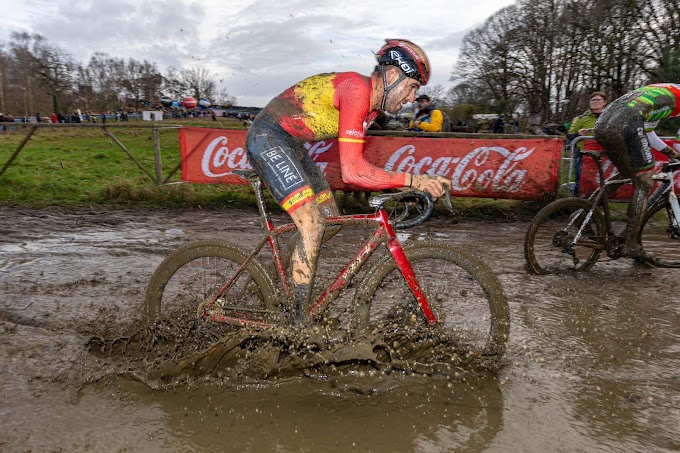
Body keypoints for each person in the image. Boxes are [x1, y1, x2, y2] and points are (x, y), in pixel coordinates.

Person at [246, 38, 449, 325]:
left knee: (330, 220)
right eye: (413, 86)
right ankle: (297, 324)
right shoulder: (357, 91)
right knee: (313, 224)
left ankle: (275, 274)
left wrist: (408, 184)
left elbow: (358, 168)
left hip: (290, 144)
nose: (412, 98)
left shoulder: (373, 109)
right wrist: (413, 181)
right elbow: (353, 172)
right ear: (392, 75)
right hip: (268, 137)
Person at [593, 83, 680, 260]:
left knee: (628, 173)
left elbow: (648, 132)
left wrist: (672, 153)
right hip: (627, 122)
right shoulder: (674, 98)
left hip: (603, 123)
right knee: (645, 180)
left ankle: (583, 212)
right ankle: (631, 244)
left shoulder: (664, 90)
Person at [568, 91, 608, 195]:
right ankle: (577, 203)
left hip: (604, 154)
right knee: (581, 179)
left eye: (598, 100)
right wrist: (578, 133)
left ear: (604, 102)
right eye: (593, 100)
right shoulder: (580, 118)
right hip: (583, 154)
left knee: (601, 179)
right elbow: (570, 136)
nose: (595, 102)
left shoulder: (609, 117)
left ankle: (598, 202)